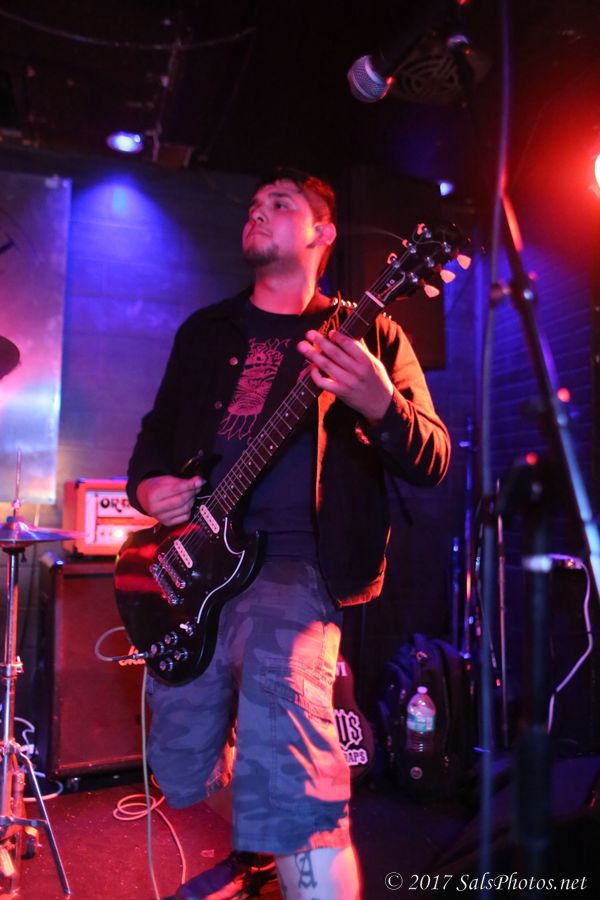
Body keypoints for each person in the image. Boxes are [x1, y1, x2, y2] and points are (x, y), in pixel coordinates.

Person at [126, 167, 451, 900]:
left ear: (322, 232)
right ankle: (262, 838)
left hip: (292, 571)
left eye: (280, 203)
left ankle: (290, 828)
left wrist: (379, 404)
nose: (258, 211)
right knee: (180, 770)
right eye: (252, 204)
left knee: (295, 787)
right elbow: (153, 437)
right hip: (192, 570)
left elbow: (433, 457)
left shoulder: (371, 330)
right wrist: (148, 488)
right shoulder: (206, 332)